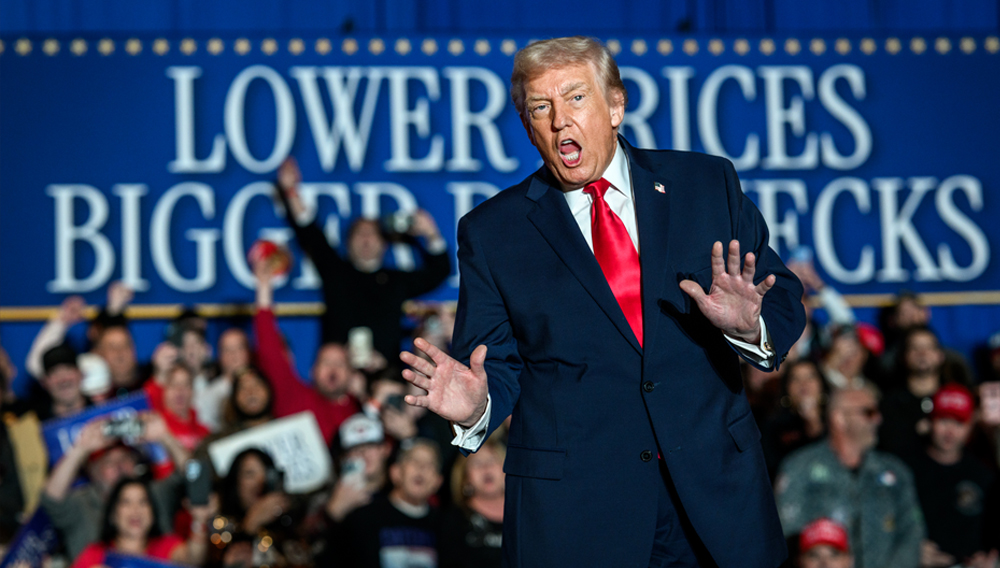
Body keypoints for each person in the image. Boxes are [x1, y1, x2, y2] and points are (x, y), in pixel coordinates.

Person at [398, 36, 806, 567]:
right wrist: (478, 408)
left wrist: (749, 330)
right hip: (578, 513)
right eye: (539, 108)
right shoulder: (493, 232)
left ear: (615, 105)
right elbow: (493, 364)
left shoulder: (704, 184)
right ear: (527, 126)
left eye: (574, 98)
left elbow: (781, 296)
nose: (558, 121)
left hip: (714, 501)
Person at [275, 156, 453, 361]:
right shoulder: (336, 272)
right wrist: (291, 191)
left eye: (373, 234)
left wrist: (431, 233)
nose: (366, 239)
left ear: (384, 243)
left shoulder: (395, 281)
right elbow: (309, 231)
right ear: (348, 243)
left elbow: (439, 271)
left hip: (387, 379)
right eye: (360, 233)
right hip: (340, 379)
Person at [776, 384, 924, 568]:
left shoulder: (895, 472)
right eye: (868, 412)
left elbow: (911, 534)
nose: (878, 419)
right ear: (840, 418)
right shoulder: (800, 467)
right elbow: (788, 531)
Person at [41, 412, 190, 559]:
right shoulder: (81, 505)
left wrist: (165, 436)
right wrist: (80, 449)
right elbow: (51, 498)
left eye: (125, 459)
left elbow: (192, 476)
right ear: (93, 473)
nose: (120, 467)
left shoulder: (154, 494)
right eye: (109, 462)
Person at [253, 256, 361, 444]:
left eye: (340, 364)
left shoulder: (361, 408)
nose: (333, 369)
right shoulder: (294, 397)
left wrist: (367, 399)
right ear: (313, 371)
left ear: (352, 374)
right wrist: (264, 289)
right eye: (326, 363)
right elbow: (270, 350)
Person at [905, 384, 997, 567]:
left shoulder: (983, 475)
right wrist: (910, 550)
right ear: (930, 422)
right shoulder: (905, 469)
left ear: (971, 426)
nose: (950, 432)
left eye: (959, 423)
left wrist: (988, 558)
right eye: (944, 421)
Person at [323, 438, 445, 567]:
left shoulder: (446, 526)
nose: (421, 468)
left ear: (438, 481)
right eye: (413, 460)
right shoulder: (363, 518)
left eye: (430, 464)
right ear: (395, 472)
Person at [72, 477, 215, 567]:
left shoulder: (166, 546)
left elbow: (194, 559)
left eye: (143, 502)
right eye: (126, 502)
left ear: (153, 513)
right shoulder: (95, 555)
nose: (136, 510)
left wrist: (200, 519)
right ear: (113, 515)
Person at [441, 436, 505, 568]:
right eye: (477, 463)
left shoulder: (525, 516)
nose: (486, 468)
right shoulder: (454, 519)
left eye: (492, 460)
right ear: (465, 479)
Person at [761, 359, 828, 478]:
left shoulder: (836, 419)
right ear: (787, 388)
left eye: (810, 377)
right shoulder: (773, 426)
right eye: (795, 379)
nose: (804, 384)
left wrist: (815, 423)